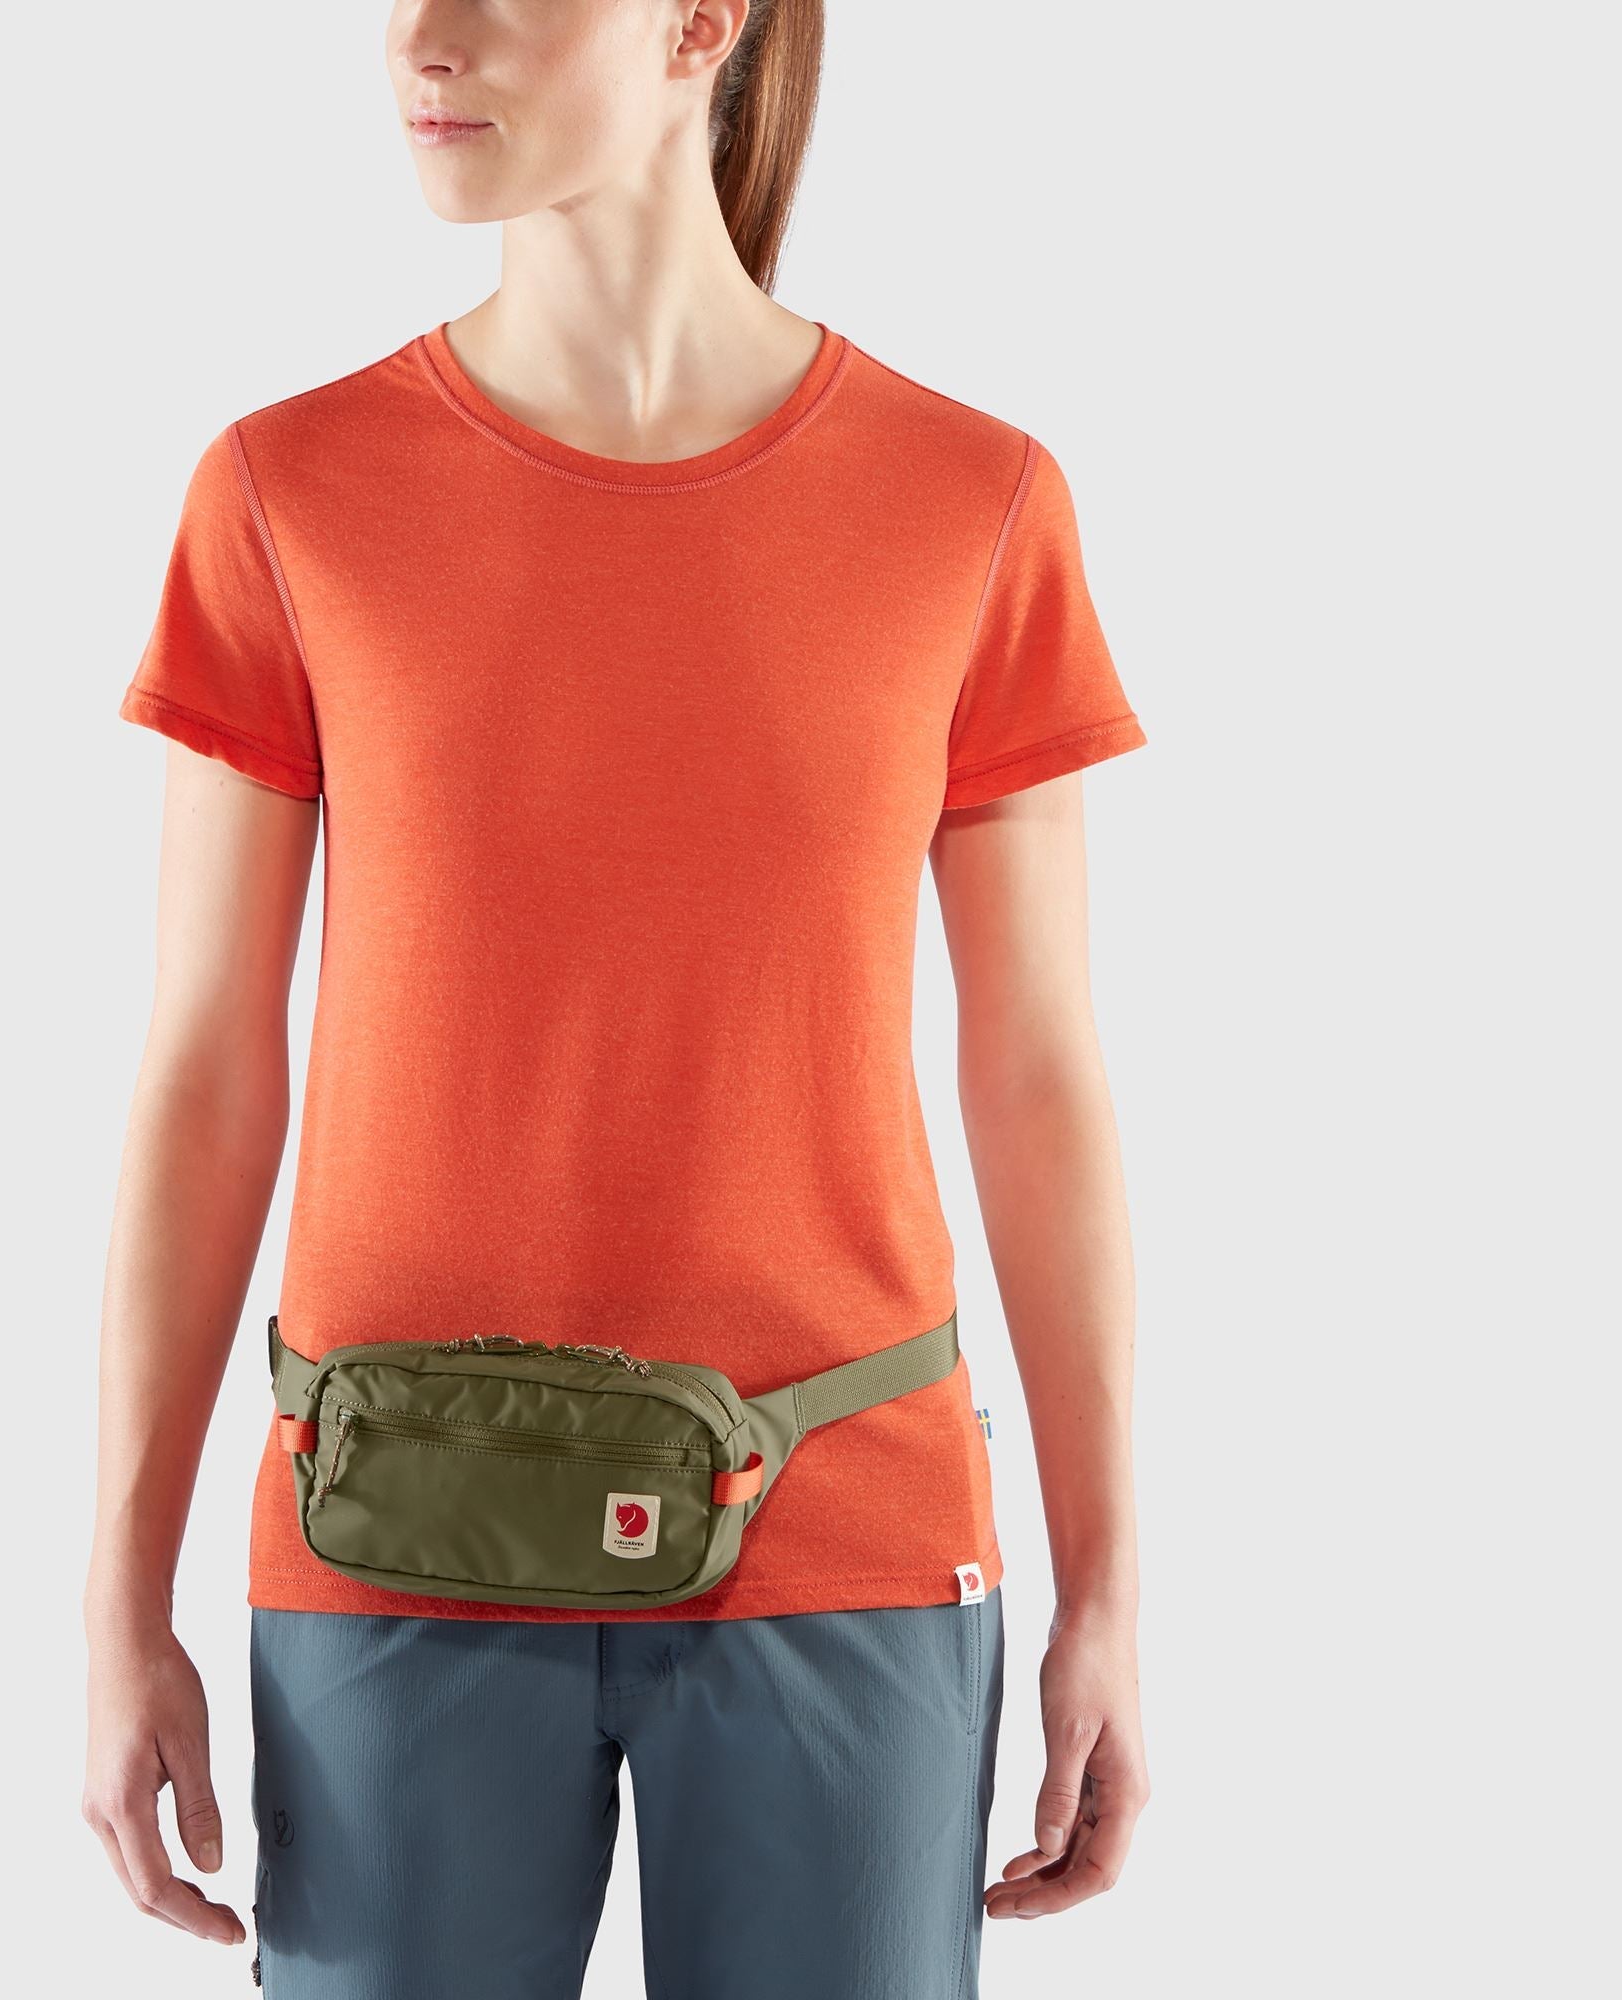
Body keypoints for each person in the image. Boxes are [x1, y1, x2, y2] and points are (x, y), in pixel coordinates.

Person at [81, 3, 1150, 1994]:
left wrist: (1110, 1589)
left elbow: (1038, 1077)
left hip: (846, 1537)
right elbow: (208, 1074)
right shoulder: (285, 494)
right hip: (394, 1534)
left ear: (696, 24)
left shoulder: (972, 501)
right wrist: (115, 1597)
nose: (423, 39)